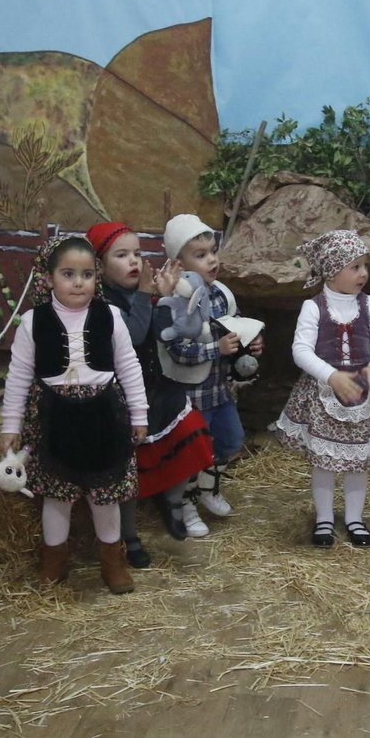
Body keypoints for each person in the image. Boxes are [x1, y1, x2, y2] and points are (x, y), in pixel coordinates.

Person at [0, 236, 149, 592]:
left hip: (103, 416)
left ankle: (112, 562)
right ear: (49, 278)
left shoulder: (110, 315)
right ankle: (54, 563)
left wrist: (140, 414)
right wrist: (10, 425)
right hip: (54, 418)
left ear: (96, 278)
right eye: (68, 274)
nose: (78, 282)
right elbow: (18, 376)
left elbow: (129, 366)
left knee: (105, 495)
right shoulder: (32, 322)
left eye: (86, 274)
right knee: (57, 496)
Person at [88, 220, 216, 565]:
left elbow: (162, 334)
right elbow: (131, 337)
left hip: (156, 389)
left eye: (137, 253)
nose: (134, 261)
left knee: (194, 433)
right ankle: (129, 537)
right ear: (99, 266)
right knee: (127, 471)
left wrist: (168, 297)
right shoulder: (99, 303)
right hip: (121, 400)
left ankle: (173, 501)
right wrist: (148, 294)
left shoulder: (144, 292)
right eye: (122, 255)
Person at [275, 230, 370, 547]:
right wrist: (330, 376)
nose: (364, 273)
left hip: (360, 398)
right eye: (355, 267)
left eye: (365, 265)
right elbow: (301, 350)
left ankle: (355, 519)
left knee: (359, 461)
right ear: (331, 271)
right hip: (324, 397)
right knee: (324, 462)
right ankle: (325, 520)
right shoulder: (313, 307)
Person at [153, 214, 260, 537]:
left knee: (230, 440)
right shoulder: (174, 301)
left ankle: (209, 489)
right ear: (178, 262)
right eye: (200, 255)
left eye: (213, 251)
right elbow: (176, 349)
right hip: (191, 395)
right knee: (191, 452)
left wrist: (248, 342)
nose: (211, 259)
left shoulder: (222, 293)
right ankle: (186, 505)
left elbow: (235, 326)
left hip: (219, 390)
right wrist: (218, 349)